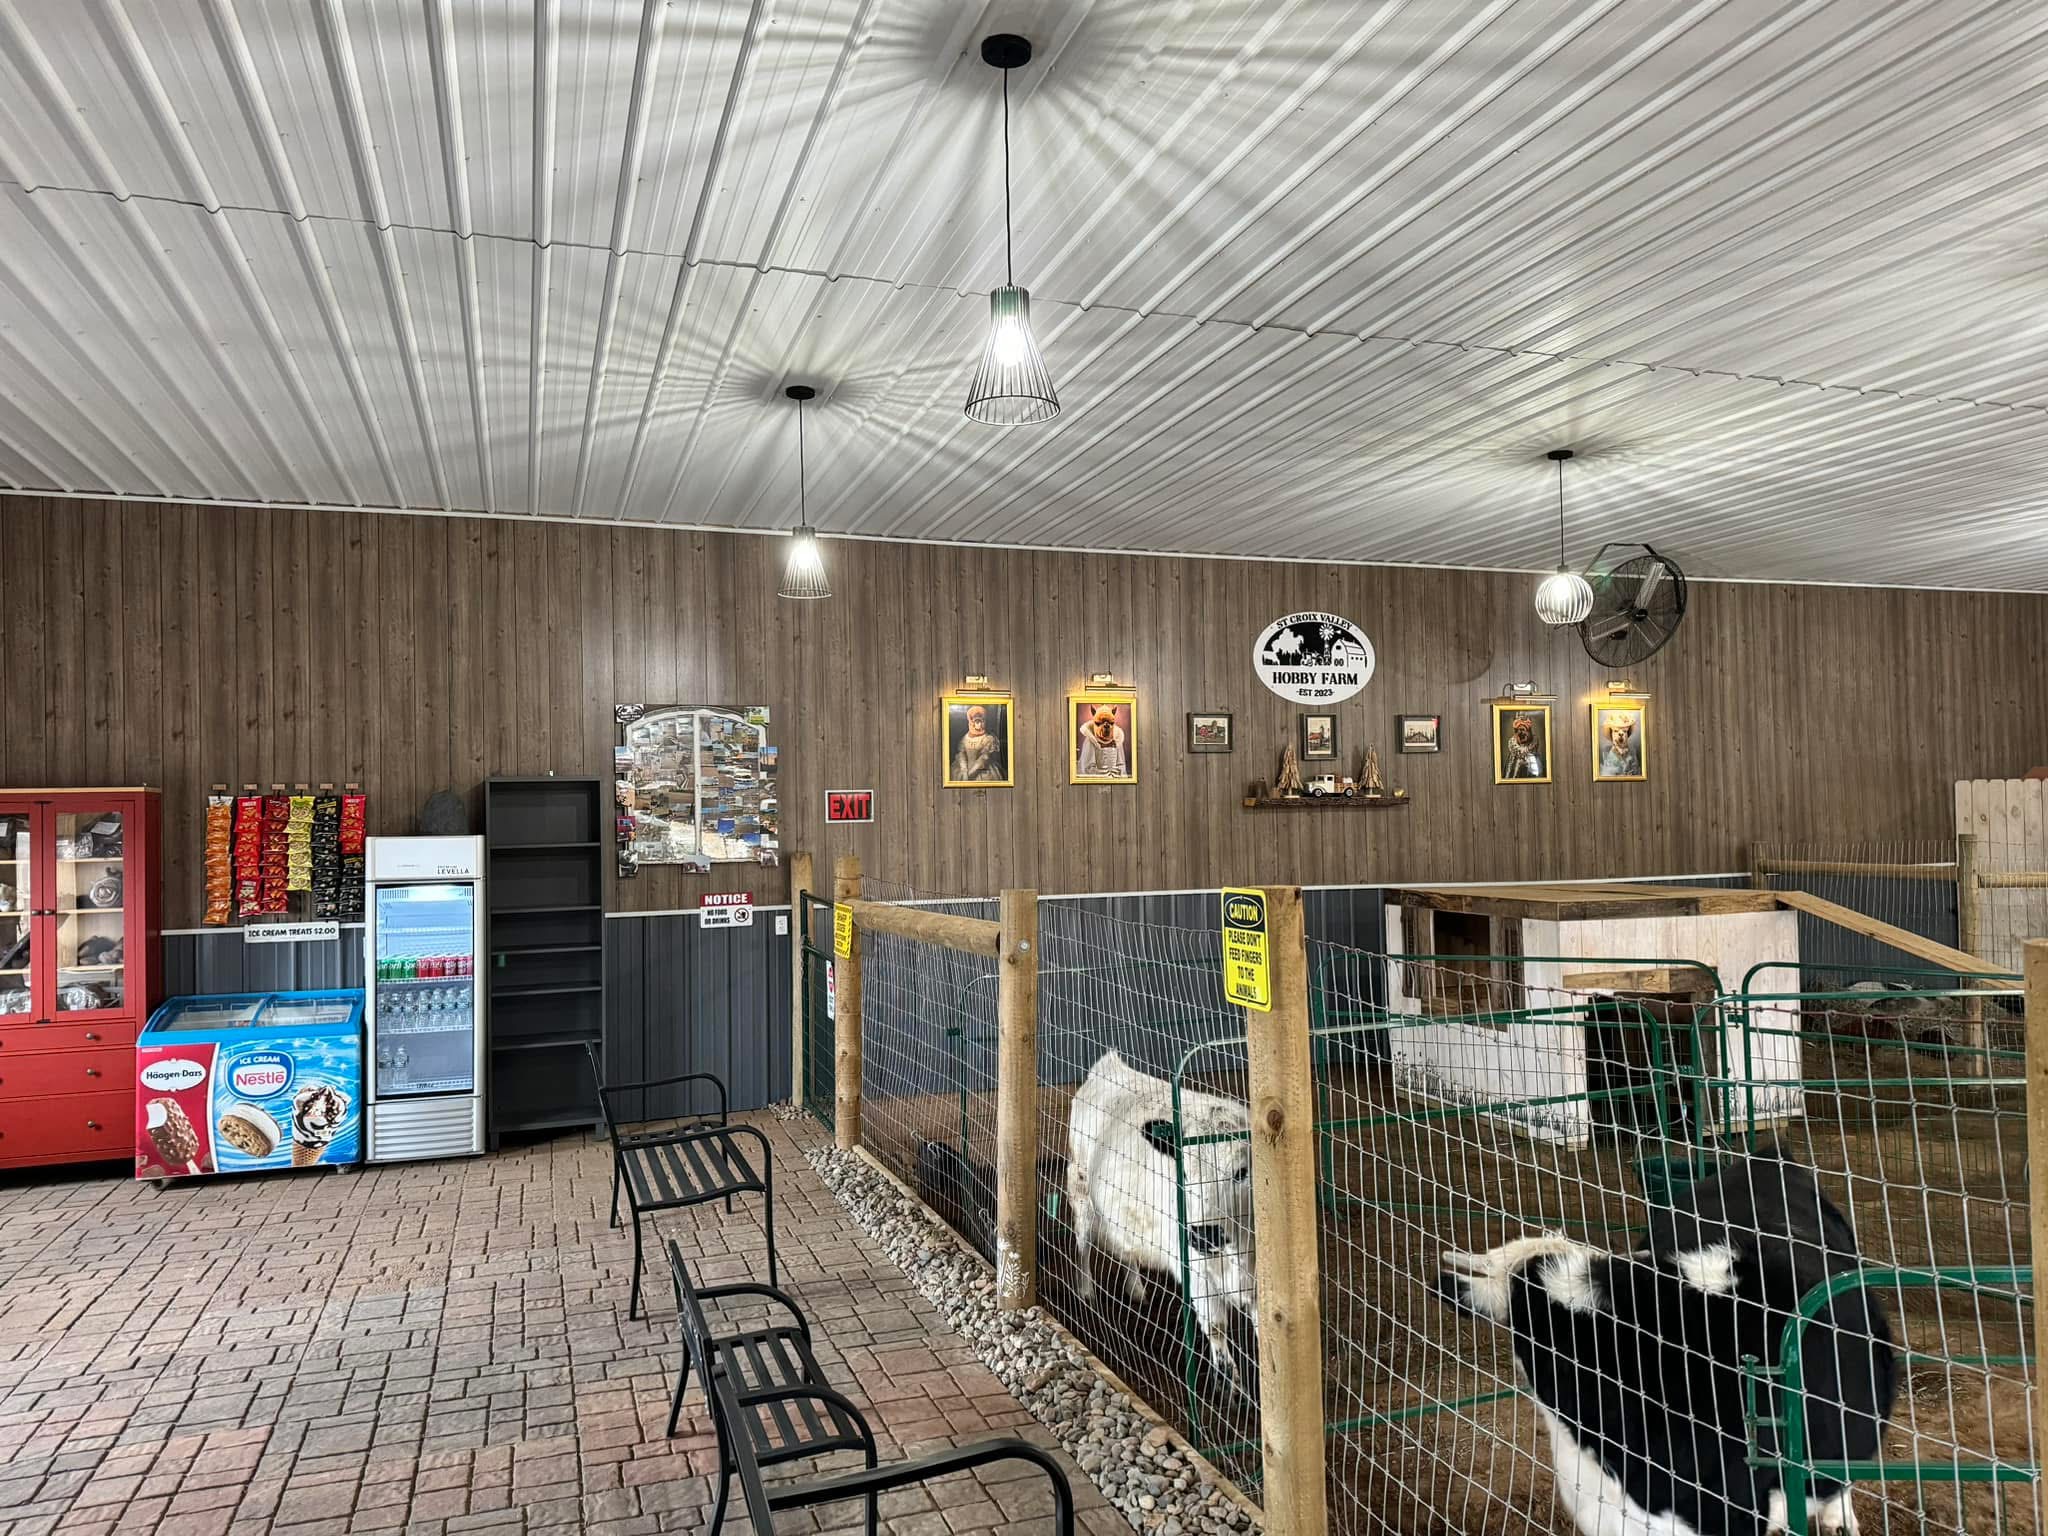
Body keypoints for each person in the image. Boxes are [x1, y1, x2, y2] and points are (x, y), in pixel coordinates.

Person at [951, 704, 1006, 782]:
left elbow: (984, 758)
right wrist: (964, 770)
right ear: (971, 723)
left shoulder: (988, 738)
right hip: (965, 769)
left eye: (981, 722)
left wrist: (971, 773)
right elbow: (961, 753)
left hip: (983, 769)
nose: (979, 725)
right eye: (976, 722)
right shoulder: (965, 738)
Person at [1077, 705, 1129, 777]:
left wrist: (1118, 774)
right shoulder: (1091, 740)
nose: (1106, 726)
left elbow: (1121, 764)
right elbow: (1088, 767)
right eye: (1099, 723)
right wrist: (1105, 775)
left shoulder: (1117, 739)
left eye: (1111, 723)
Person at [1502, 714, 1544, 779]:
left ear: (1529, 731)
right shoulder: (1514, 747)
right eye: (1518, 730)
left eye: (1523, 730)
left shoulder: (1533, 747)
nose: (1520, 732)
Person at [1600, 712, 1641, 777]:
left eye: (1625, 731)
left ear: (1627, 734)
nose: (1621, 733)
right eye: (1616, 731)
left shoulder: (1633, 752)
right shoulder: (1605, 753)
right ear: (1611, 734)